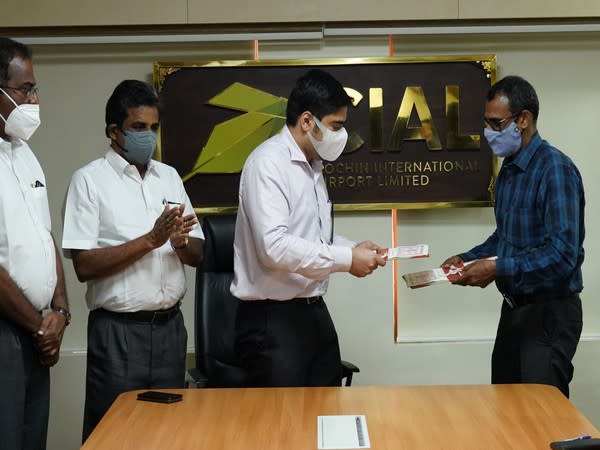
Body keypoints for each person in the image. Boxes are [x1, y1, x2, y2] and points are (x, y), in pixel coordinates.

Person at [61, 80, 204, 441]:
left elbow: (198, 254)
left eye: (154, 128)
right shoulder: (89, 181)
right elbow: (84, 266)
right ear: (114, 131)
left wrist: (179, 243)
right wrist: (150, 240)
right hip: (118, 333)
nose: (149, 137)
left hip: (170, 330)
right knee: (115, 436)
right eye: (139, 128)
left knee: (169, 436)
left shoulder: (168, 176)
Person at [231, 69, 387, 387]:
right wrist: (346, 260)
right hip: (271, 321)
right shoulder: (268, 164)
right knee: (283, 427)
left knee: (326, 414)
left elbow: (312, 237)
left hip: (312, 310)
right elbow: (274, 247)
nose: (342, 136)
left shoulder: (312, 166)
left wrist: (354, 248)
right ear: (307, 121)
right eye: (336, 126)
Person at [441, 75, 585, 397]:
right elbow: (504, 237)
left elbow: (562, 254)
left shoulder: (555, 169)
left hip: (549, 314)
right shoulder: (508, 169)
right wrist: (467, 259)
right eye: (487, 123)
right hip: (513, 311)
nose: (489, 133)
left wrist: (497, 269)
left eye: (496, 123)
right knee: (505, 409)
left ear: (523, 119)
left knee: (541, 417)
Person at [0, 37, 70, 450]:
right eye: (26, 89)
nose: (35, 98)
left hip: (37, 329)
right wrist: (38, 325)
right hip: (9, 331)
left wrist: (59, 310)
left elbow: (46, 239)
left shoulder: (25, 153)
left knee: (31, 440)